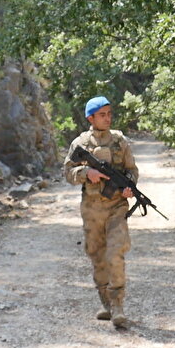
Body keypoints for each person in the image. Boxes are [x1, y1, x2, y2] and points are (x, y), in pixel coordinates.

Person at [63, 96, 139, 328]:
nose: (107, 118)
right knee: (97, 256)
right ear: (91, 118)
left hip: (117, 207)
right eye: (102, 115)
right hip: (92, 209)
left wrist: (129, 187)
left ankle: (118, 306)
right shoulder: (81, 143)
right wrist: (87, 173)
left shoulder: (120, 141)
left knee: (115, 253)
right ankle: (106, 302)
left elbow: (132, 170)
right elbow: (68, 172)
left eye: (109, 114)